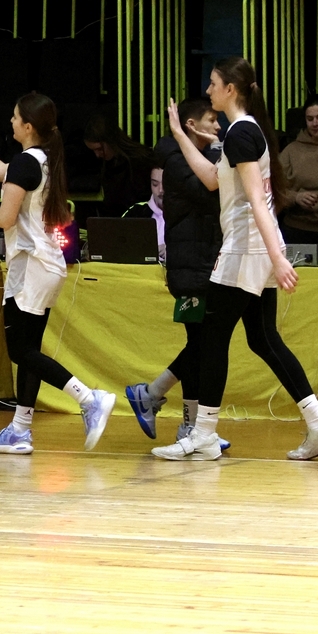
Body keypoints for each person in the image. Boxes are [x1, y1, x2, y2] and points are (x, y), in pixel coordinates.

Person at [157, 58, 318, 461]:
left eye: (213, 83)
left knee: (212, 337)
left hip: (246, 249)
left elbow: (259, 201)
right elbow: (212, 180)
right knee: (262, 338)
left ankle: (204, 433)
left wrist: (278, 258)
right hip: (254, 247)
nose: (208, 90)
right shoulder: (242, 132)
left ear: (231, 90)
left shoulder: (242, 132)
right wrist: (179, 135)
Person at [0, 93, 117, 455]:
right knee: (29, 350)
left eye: (15, 117)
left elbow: (5, 218)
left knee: (20, 350)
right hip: (47, 264)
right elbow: (1, 172)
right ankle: (20, 430)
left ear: (28, 126)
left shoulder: (26, 163)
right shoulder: (40, 159)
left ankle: (89, 398)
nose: (11, 121)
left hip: (31, 266)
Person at [125, 99, 231, 449]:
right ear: (191, 125)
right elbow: (210, 191)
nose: (218, 126)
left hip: (207, 261)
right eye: (211, 120)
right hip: (190, 266)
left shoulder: (198, 155)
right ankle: (187, 424)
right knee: (201, 344)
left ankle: (153, 396)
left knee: (201, 345)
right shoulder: (175, 158)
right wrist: (219, 153)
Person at [279, 94, 318, 260]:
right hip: (298, 231)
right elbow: (272, 189)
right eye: (310, 119)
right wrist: (295, 197)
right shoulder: (291, 151)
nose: (315, 123)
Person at [84, 114, 157, 217]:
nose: (97, 155)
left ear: (111, 140)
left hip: (140, 220)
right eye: (94, 150)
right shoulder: (109, 163)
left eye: (99, 149)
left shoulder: (141, 161)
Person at [121, 167, 167, 261]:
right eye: (155, 184)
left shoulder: (188, 214)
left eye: (166, 184)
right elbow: (118, 243)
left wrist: (175, 252)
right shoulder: (135, 212)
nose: (160, 190)